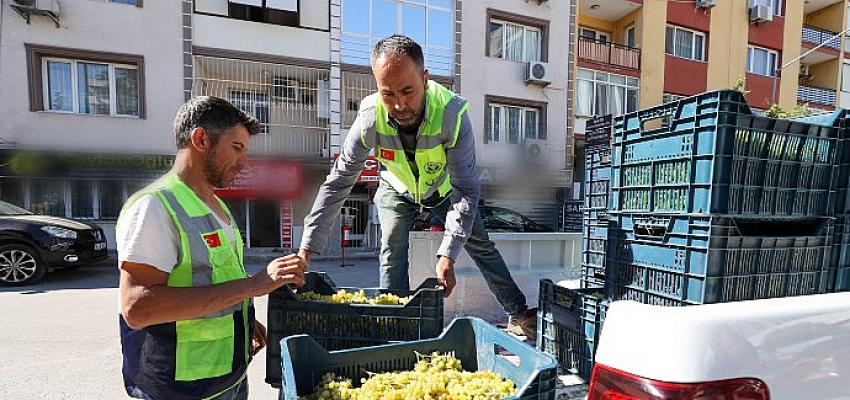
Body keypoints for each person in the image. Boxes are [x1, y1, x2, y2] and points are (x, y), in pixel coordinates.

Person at [297, 35, 537, 337]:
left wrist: (447, 253)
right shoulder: (369, 119)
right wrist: (306, 249)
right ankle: (395, 323)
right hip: (396, 187)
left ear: (425, 79)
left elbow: (466, 189)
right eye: (388, 94)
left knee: (480, 244)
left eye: (408, 91)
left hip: (445, 190)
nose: (399, 104)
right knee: (391, 249)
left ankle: (517, 313)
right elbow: (338, 183)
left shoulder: (452, 115)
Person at [117, 97, 306, 400]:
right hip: (179, 390)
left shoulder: (218, 207)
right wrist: (252, 286)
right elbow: (138, 309)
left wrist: (242, 319)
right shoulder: (155, 207)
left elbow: (211, 283)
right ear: (201, 139)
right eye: (237, 148)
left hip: (229, 379)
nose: (245, 163)